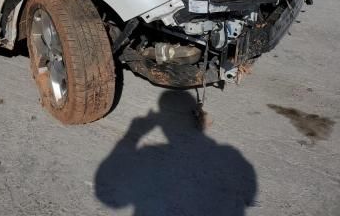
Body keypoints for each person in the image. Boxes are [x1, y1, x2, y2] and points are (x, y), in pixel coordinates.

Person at [95, 90, 257, 215]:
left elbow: (108, 196)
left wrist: (134, 132)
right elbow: (247, 195)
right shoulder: (232, 158)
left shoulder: (150, 156)